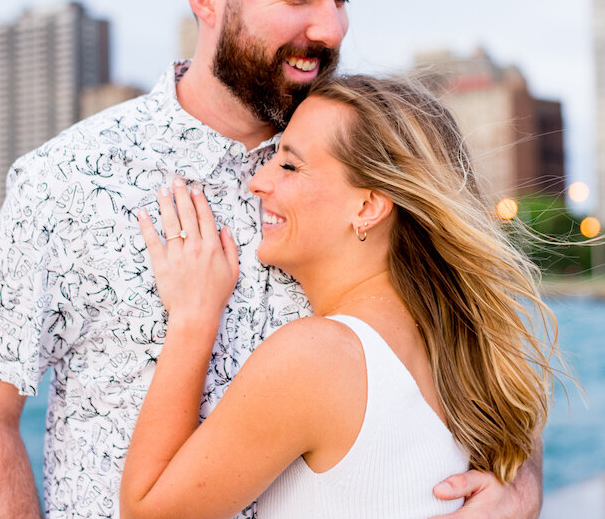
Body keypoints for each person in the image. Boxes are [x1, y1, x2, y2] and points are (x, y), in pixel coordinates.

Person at [0, 0, 544, 519]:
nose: (332, 27)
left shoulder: (362, 156)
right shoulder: (69, 181)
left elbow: (478, 330)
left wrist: (520, 486)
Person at [120, 74, 558, 519]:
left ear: (367, 207)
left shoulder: (319, 357)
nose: (257, 181)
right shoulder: (458, 348)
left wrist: (193, 317)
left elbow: (147, 514)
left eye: (289, 166)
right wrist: (524, 488)